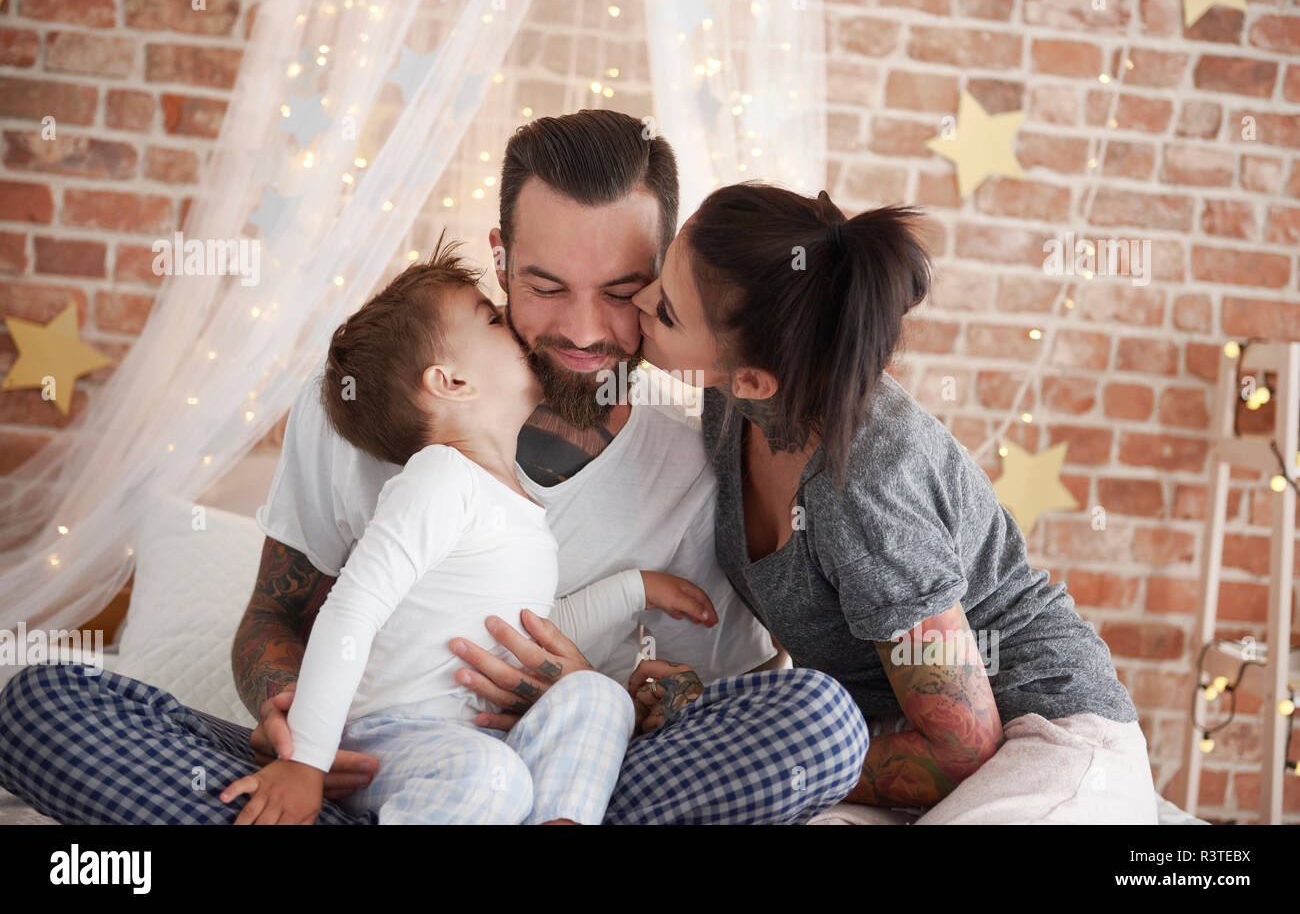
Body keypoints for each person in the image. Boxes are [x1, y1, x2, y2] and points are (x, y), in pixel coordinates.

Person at [0, 111, 868, 825]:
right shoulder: (360, 404)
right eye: (544, 286)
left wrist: (628, 697)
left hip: (563, 779)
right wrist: (293, 721)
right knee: (41, 706)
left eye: (621, 290)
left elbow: (724, 699)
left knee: (820, 724)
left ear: (664, 277)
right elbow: (277, 614)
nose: (584, 330)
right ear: (498, 260)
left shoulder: (696, 464)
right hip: (368, 765)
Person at [617, 181, 1159, 824]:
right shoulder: (730, 408)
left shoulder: (868, 486)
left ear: (756, 378)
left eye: (668, 312)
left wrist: (761, 746)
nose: (640, 297)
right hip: (899, 745)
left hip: (1041, 738)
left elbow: (962, 747)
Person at [219, 243, 716, 824]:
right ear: (451, 381)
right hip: (390, 737)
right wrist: (307, 757)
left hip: (473, 747)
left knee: (600, 697)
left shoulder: (521, 511)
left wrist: (636, 588)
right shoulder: (439, 476)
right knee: (491, 777)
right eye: (492, 319)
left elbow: (529, 635)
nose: (517, 328)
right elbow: (352, 608)